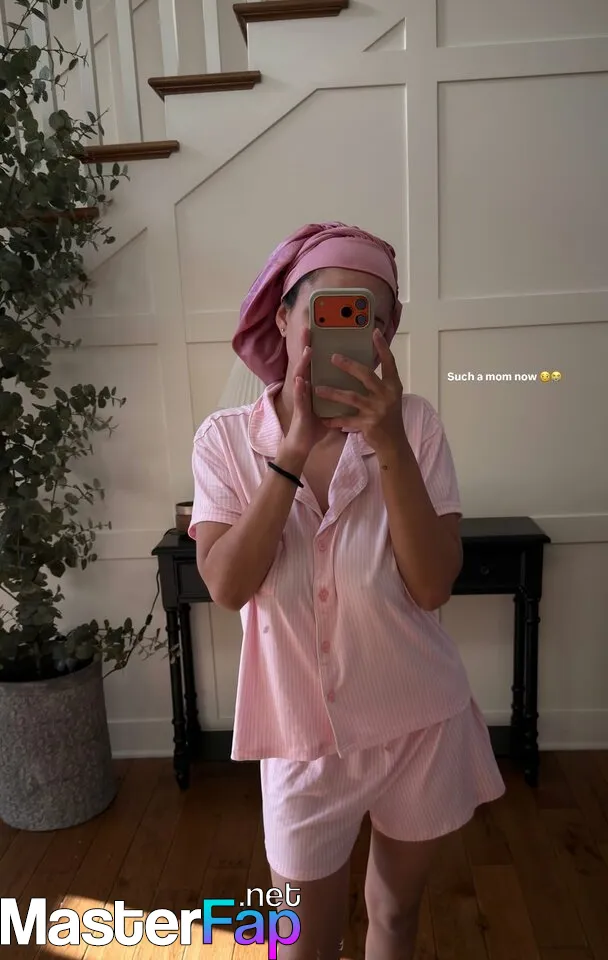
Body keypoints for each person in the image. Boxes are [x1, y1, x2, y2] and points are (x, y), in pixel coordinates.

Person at [188, 222, 505, 960]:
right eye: (327, 312)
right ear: (284, 319)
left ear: (386, 337)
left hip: (420, 724)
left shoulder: (415, 427)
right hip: (300, 741)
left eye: (368, 319)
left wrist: (388, 443)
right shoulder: (225, 441)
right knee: (301, 943)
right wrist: (293, 448)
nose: (347, 334)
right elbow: (228, 585)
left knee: (395, 913)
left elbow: (432, 585)